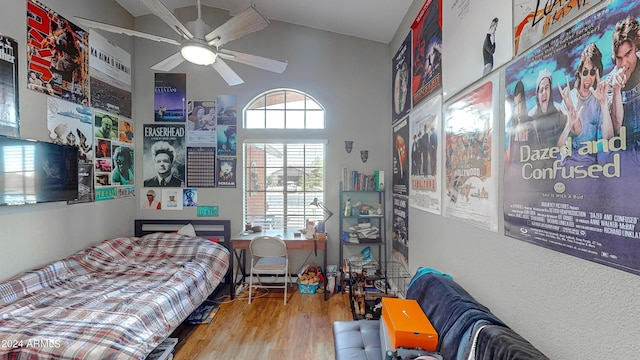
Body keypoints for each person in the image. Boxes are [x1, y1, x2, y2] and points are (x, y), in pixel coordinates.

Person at [557, 43, 613, 166]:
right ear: (580, 72)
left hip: (591, 164)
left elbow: (608, 138)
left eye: (593, 72)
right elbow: (560, 145)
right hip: (570, 165)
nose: (588, 78)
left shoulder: (598, 99)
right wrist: (570, 107)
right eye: (585, 72)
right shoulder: (568, 98)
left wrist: (603, 103)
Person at [609, 15, 640, 155]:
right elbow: (616, 128)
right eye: (619, 58)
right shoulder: (610, 80)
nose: (623, 64)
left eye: (628, 54)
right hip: (627, 155)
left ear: (636, 49)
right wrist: (616, 91)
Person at [528, 68, 566, 151]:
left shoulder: (560, 112)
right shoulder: (530, 116)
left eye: (547, 88)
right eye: (541, 90)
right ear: (537, 94)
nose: (544, 93)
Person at [506, 80, 538, 164]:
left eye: (520, 102)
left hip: (530, 173)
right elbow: (508, 157)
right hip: (515, 173)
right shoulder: (513, 125)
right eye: (515, 104)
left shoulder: (531, 124)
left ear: (524, 102)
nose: (518, 110)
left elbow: (538, 154)